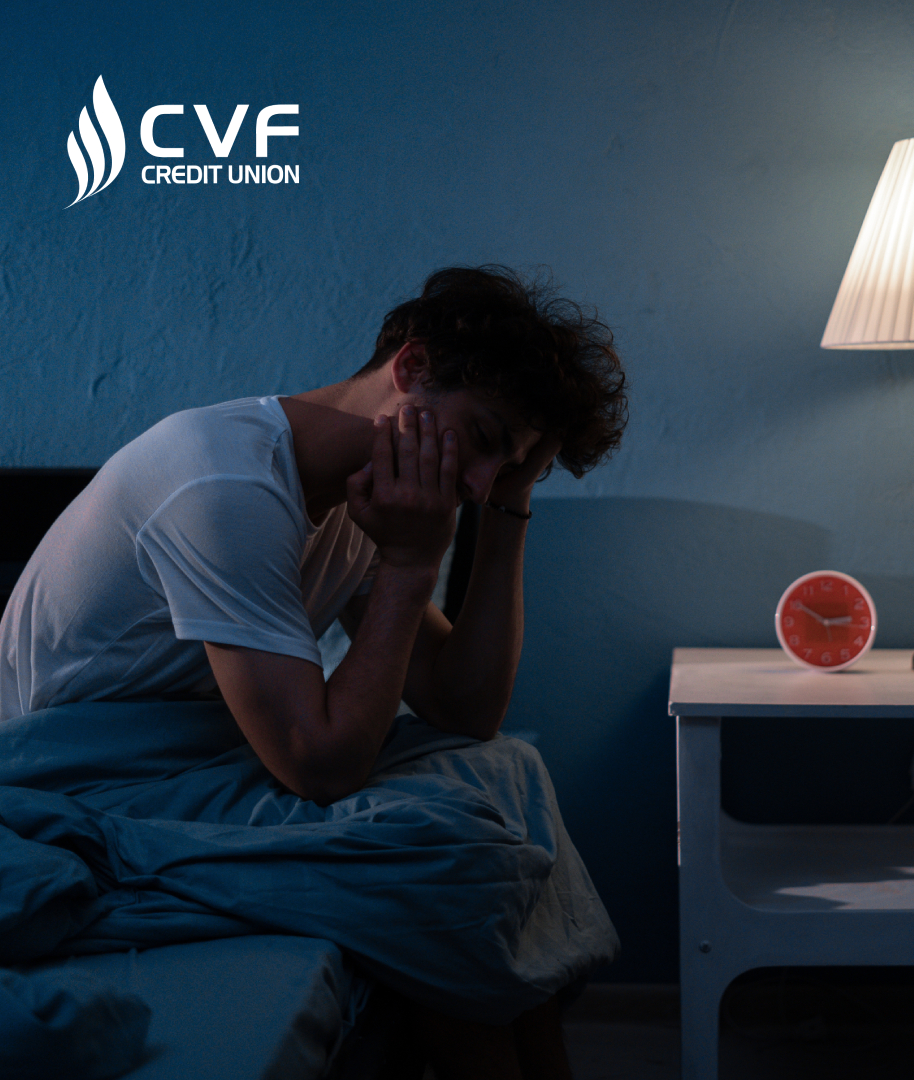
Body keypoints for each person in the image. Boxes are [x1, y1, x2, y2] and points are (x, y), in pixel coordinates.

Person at [0, 265, 628, 1079]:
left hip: (200, 756)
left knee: (508, 769)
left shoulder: (367, 494)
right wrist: (410, 563)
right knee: (451, 853)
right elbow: (319, 765)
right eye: (481, 439)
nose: (475, 484)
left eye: (505, 463)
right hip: (76, 769)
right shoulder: (225, 482)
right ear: (409, 369)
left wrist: (509, 509)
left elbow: (463, 707)